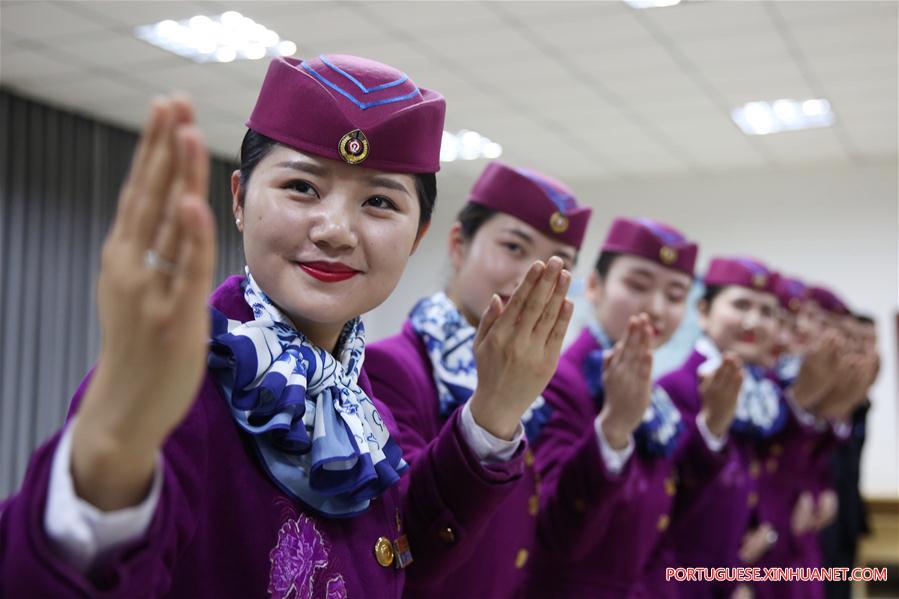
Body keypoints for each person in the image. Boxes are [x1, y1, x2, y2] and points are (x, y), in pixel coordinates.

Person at [0, 55, 572, 598]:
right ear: (240, 198)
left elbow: (402, 557)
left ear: (418, 236)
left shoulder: (351, 386)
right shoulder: (177, 383)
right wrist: (104, 463)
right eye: (302, 187)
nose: (336, 230)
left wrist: (495, 408)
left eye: (379, 201)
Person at [365, 160, 591, 598]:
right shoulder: (390, 368)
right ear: (458, 244)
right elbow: (407, 542)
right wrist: (492, 411)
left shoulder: (541, 386)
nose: (533, 277)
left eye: (557, 264)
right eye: (513, 247)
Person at [523, 218, 742, 598]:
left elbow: (667, 511)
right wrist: (613, 430)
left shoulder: (651, 392)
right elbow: (554, 531)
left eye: (675, 296)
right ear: (594, 286)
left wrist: (713, 426)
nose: (656, 309)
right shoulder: (558, 380)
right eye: (638, 286)